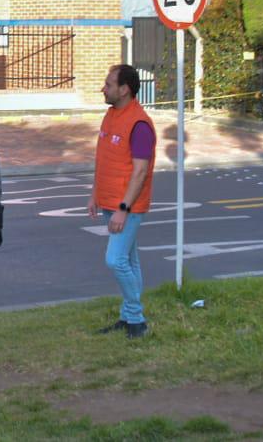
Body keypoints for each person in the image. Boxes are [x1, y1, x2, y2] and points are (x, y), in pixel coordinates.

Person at [89, 64, 156, 339]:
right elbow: (103, 157)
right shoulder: (110, 116)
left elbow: (140, 171)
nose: (103, 89)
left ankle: (136, 318)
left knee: (115, 260)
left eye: (108, 84)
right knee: (130, 260)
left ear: (124, 89)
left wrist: (123, 209)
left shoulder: (139, 124)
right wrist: (95, 193)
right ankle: (129, 318)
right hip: (108, 201)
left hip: (126, 207)